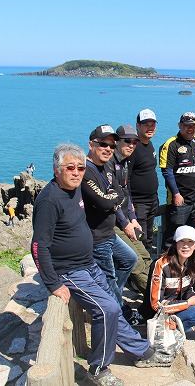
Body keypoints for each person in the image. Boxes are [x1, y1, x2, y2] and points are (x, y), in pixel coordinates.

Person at [32, 143, 171, 386]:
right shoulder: (49, 200)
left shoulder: (75, 189)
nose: (77, 172)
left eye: (80, 168)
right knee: (106, 309)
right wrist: (53, 283)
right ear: (56, 170)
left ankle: (141, 352)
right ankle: (98, 369)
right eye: (70, 167)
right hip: (70, 271)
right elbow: (38, 246)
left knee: (113, 306)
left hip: (88, 264)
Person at [80, 125, 140, 326]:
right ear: (91, 145)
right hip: (96, 237)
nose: (108, 149)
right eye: (103, 144)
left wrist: (112, 198)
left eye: (112, 146)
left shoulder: (106, 167)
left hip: (109, 233)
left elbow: (119, 194)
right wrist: (112, 198)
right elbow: (106, 202)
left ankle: (114, 299)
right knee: (109, 278)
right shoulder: (85, 171)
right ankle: (119, 314)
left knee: (129, 260)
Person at [147, 225, 195, 332]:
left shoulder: (191, 263)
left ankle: (177, 325)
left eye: (190, 242)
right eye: (182, 241)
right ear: (175, 244)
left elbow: (187, 290)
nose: (186, 246)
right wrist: (187, 303)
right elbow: (156, 304)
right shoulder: (161, 265)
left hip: (179, 307)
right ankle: (169, 330)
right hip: (160, 313)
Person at [111, 125, 152, 297]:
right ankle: (155, 296)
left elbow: (125, 191)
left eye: (135, 142)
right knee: (135, 260)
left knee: (145, 255)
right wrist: (125, 222)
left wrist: (133, 218)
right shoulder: (109, 164)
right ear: (116, 142)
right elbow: (111, 199)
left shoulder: (125, 162)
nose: (131, 145)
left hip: (125, 220)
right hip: (113, 223)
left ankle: (158, 288)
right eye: (127, 141)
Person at [159, 112, 195, 245]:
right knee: (174, 234)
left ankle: (189, 256)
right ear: (179, 125)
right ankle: (168, 257)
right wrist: (176, 194)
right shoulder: (171, 144)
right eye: (187, 125)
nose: (190, 129)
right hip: (181, 200)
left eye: (194, 126)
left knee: (193, 232)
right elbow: (167, 171)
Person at [129, 109, 160, 253]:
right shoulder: (133, 147)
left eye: (152, 124)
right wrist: (130, 203)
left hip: (152, 200)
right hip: (139, 203)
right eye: (145, 124)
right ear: (137, 125)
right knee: (140, 240)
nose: (150, 128)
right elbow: (126, 177)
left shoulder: (150, 145)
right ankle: (141, 266)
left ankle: (148, 265)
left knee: (148, 240)